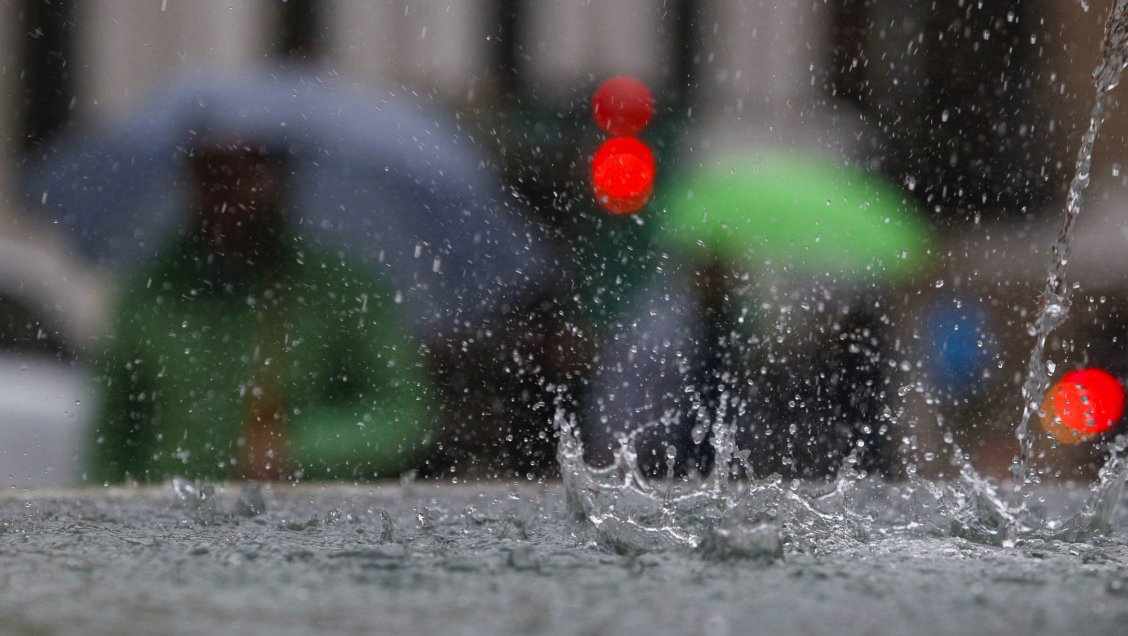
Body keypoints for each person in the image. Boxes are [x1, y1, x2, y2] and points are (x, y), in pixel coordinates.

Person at [89, 140, 434, 483]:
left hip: (304, 523)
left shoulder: (342, 288)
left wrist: (298, 449)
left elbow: (402, 416)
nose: (225, 194)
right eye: (210, 173)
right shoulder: (152, 291)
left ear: (278, 175)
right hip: (167, 523)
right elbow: (112, 436)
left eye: (242, 174)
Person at [582, 152, 933, 480]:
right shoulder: (664, 326)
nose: (732, 278)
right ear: (701, 271)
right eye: (722, 270)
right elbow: (624, 402)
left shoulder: (727, 323)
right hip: (660, 469)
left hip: (697, 470)